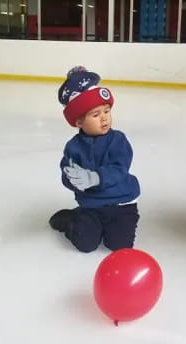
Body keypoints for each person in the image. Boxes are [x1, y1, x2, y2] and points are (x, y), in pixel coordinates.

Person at [49, 66, 140, 253]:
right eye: (96, 115)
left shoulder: (118, 140)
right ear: (79, 122)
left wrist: (95, 177)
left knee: (119, 245)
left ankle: (121, 224)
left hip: (121, 203)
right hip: (91, 205)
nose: (104, 119)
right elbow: (66, 174)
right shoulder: (74, 147)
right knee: (86, 245)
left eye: (107, 111)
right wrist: (73, 180)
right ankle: (71, 220)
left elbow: (120, 168)